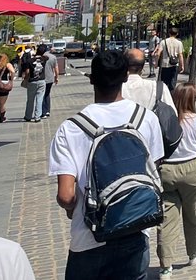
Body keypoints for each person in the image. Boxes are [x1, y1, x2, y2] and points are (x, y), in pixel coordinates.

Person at [48, 48, 165, 280]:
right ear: (125, 77)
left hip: (89, 239)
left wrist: (74, 210)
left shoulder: (71, 128)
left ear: (91, 79)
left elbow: (65, 196)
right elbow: (155, 170)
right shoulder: (146, 119)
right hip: (137, 229)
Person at [157, 82, 196, 278]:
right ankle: (194, 252)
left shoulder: (165, 120)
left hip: (167, 170)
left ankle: (166, 266)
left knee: (166, 220)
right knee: (194, 214)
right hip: (192, 169)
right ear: (192, 100)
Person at [21, 45, 48, 123]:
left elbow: (27, 72)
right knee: (39, 99)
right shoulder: (44, 59)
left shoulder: (30, 60)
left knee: (30, 100)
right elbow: (46, 56)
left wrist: (25, 78)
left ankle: (28, 116)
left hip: (32, 81)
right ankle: (37, 116)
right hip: (42, 81)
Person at [42, 45, 59, 118]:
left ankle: (43, 112)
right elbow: (56, 69)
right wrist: (56, 78)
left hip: (41, 78)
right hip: (50, 78)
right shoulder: (53, 57)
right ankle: (48, 110)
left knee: (41, 95)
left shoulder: (40, 57)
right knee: (47, 94)